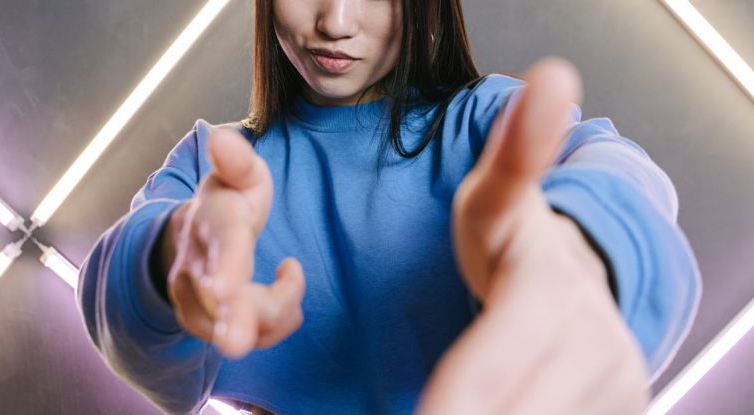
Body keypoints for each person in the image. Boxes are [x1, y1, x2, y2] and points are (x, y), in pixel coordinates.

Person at [77, 0, 701, 414]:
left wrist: (579, 252)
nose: (336, 20)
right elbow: (115, 308)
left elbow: (615, 167)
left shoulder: (484, 122)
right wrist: (171, 259)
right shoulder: (218, 166)